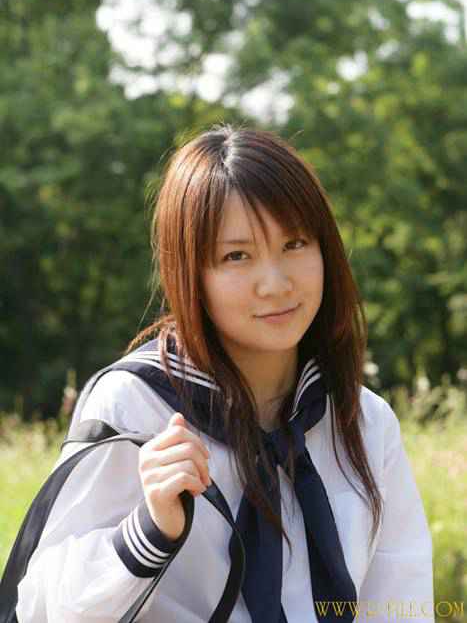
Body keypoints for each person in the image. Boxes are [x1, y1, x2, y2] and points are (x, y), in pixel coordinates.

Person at [15, 124, 434, 622]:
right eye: (237, 256)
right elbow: (44, 607)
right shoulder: (135, 406)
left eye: (295, 243)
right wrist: (149, 531)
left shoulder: (363, 420)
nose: (274, 284)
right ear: (190, 273)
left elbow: (401, 602)